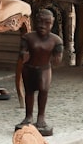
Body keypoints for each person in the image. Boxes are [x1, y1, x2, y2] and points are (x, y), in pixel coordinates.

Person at [15, 8, 63, 136]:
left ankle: (41, 117)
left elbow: (58, 54)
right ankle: (28, 116)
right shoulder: (28, 37)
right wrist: (23, 54)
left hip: (44, 69)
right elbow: (22, 51)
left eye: (47, 23)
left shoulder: (56, 40)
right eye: (40, 22)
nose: (42, 26)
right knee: (29, 92)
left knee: (43, 91)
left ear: (52, 24)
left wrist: (58, 57)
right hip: (29, 68)